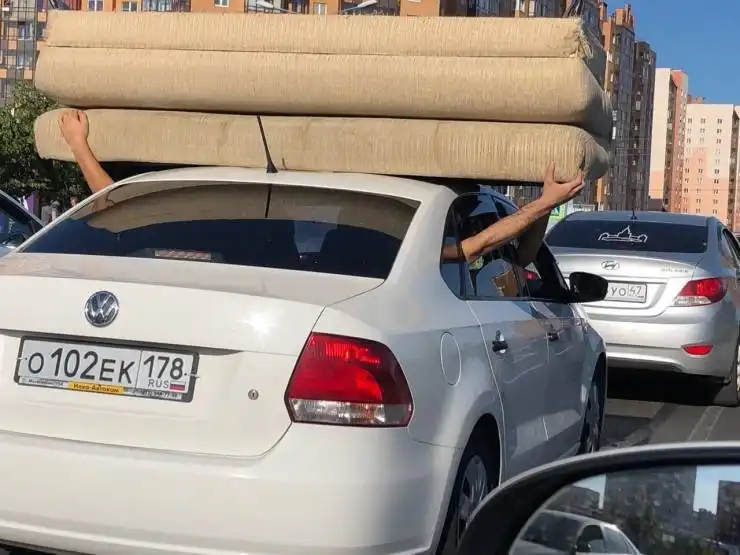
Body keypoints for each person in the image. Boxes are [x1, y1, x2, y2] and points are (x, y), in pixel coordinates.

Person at [58, 109, 584, 261]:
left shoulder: (215, 248)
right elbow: (482, 245)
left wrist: (81, 145)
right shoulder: (407, 256)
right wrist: (542, 203)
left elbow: (119, 213)